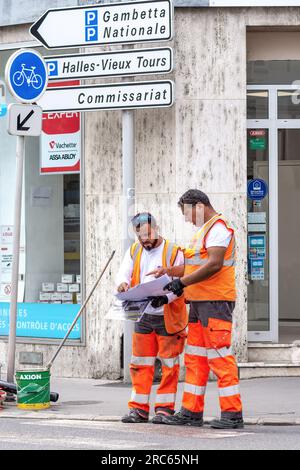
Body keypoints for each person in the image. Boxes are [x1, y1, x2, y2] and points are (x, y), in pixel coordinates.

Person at [148, 190, 243, 429]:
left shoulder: (218, 229)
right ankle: (191, 412)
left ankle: (232, 415)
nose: (187, 219)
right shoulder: (204, 232)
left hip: (215, 303)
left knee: (220, 357)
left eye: (187, 213)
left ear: (199, 206)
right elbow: (194, 266)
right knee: (195, 359)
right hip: (201, 304)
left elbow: (213, 264)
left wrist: (181, 283)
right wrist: (169, 272)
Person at [117, 212, 188, 424]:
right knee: (140, 364)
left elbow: (183, 284)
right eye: (140, 236)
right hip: (143, 315)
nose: (145, 240)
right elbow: (123, 273)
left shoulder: (174, 252)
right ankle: (138, 409)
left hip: (168, 317)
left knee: (169, 366)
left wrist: (165, 299)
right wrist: (122, 284)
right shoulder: (134, 250)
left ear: (156, 228)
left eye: (147, 234)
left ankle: (164, 409)